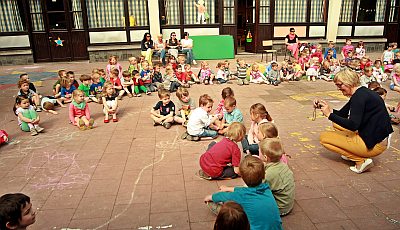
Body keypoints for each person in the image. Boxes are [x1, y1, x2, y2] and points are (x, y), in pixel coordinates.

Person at [317, 69, 393, 173]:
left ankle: (361, 160)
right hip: (378, 138)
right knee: (336, 123)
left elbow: (353, 125)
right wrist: (327, 108)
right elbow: (342, 114)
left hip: (375, 144)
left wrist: (329, 114)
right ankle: (356, 152)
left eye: (340, 85)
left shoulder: (359, 97)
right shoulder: (361, 92)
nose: (338, 88)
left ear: (349, 82)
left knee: (324, 138)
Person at [204, 155, 282, 230]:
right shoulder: (267, 189)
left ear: (242, 177)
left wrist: (210, 197)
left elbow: (223, 196)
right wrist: (228, 188)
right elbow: (245, 191)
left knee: (230, 211)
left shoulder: (241, 195)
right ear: (264, 175)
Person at [259, 138, 295, 216]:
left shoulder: (270, 174)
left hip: (280, 208)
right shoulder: (282, 165)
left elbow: (259, 189)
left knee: (252, 199)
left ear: (265, 157)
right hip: (287, 204)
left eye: (259, 151)